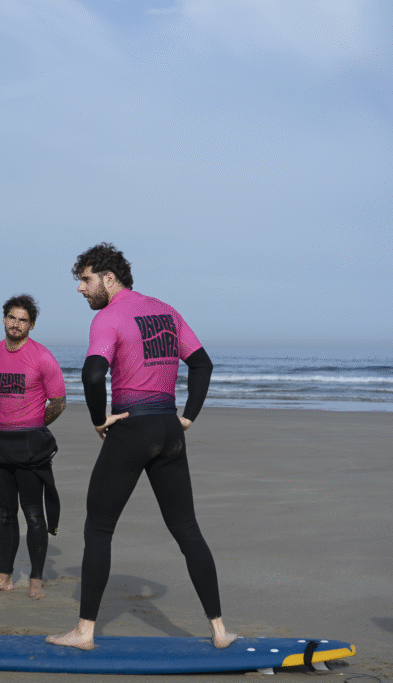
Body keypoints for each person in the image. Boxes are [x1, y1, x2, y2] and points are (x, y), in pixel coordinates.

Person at [47, 243, 236, 650]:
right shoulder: (167, 310)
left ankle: (84, 632)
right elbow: (202, 363)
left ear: (108, 279)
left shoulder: (109, 317)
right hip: (169, 430)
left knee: (98, 530)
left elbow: (94, 374)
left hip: (132, 429)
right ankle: (220, 630)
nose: (81, 289)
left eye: (85, 279)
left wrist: (100, 419)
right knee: (187, 530)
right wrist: (187, 417)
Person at [0, 294, 66, 599]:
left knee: (34, 514)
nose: (16, 324)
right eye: (12, 317)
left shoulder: (42, 358)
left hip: (30, 444)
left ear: (31, 325)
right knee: (5, 513)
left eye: (23, 320)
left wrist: (33, 425)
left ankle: (36, 578)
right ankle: (5, 576)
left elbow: (59, 402)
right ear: (3, 319)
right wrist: (5, 419)